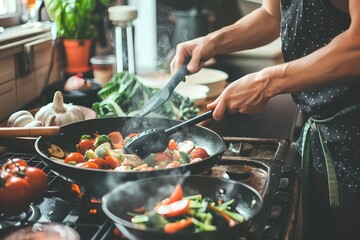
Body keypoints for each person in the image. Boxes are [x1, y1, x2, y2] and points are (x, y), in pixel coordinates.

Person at [170, 1, 360, 240]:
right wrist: (211, 42)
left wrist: (266, 82)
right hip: (325, 138)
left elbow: (357, 47)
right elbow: (273, 16)